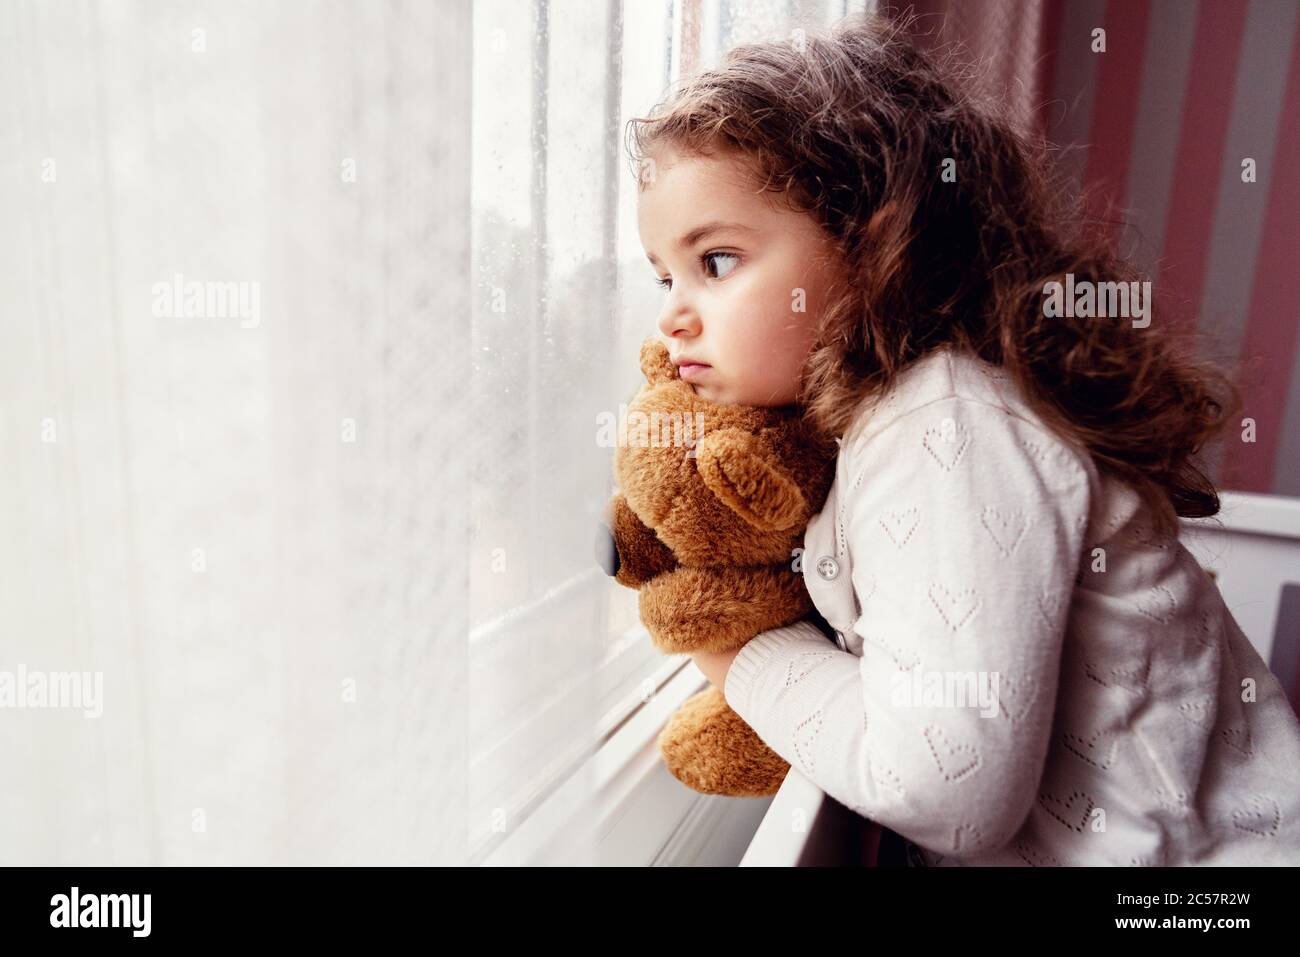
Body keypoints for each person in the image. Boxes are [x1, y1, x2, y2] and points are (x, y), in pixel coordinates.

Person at [628, 11, 1300, 865]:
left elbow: (945, 786)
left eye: (715, 261)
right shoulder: (890, 415)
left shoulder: (945, 421)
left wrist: (739, 649)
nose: (671, 314)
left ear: (870, 242)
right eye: (662, 274)